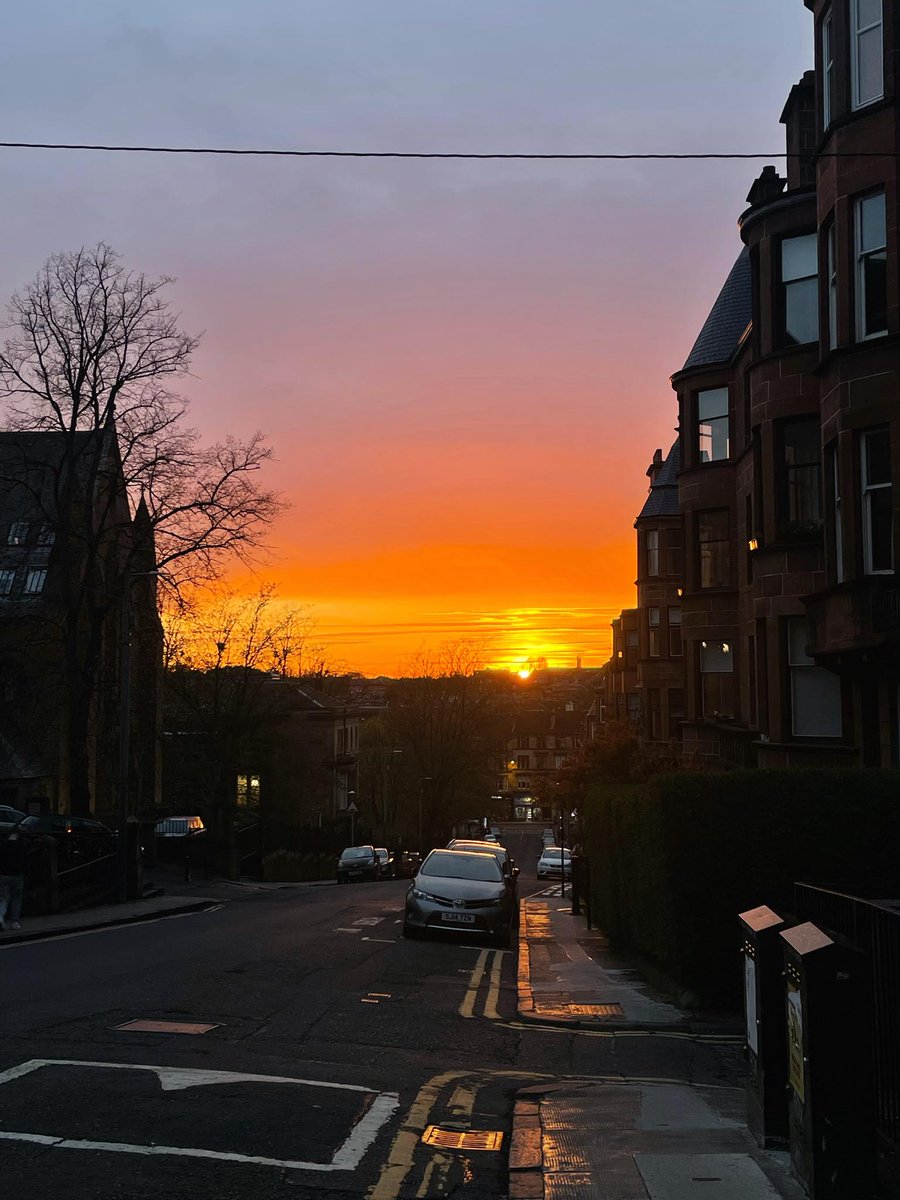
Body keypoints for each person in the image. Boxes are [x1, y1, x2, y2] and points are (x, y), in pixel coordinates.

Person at [0, 827, 28, 931]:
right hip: (17, 875)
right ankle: (15, 922)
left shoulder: (3, 845)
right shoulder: (21, 846)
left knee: (3, 898)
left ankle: (0, 917)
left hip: (4, 874)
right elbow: (25, 861)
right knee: (16, 899)